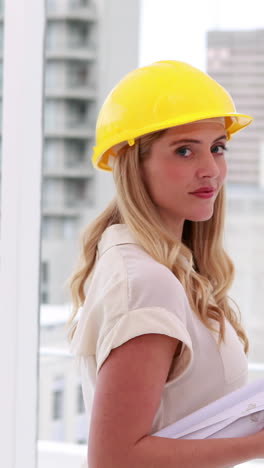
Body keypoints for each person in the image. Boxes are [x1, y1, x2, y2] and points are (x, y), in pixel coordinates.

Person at [66, 60, 264, 467]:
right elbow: (114, 459)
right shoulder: (146, 281)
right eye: (184, 150)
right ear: (133, 164)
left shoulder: (157, 265)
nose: (210, 169)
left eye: (218, 147)